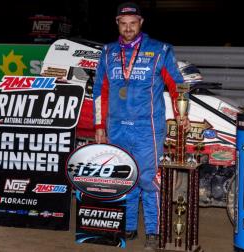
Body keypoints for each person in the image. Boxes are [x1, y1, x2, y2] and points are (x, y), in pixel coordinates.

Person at [93, 1, 189, 250]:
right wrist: (99, 126)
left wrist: (182, 113)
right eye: (123, 24)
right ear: (117, 23)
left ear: (141, 23)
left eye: (132, 24)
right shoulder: (107, 52)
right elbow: (99, 92)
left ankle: (154, 233)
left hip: (147, 128)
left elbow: (178, 86)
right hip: (116, 127)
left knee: (148, 180)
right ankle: (129, 227)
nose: (128, 29)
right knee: (124, 177)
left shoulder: (160, 50)